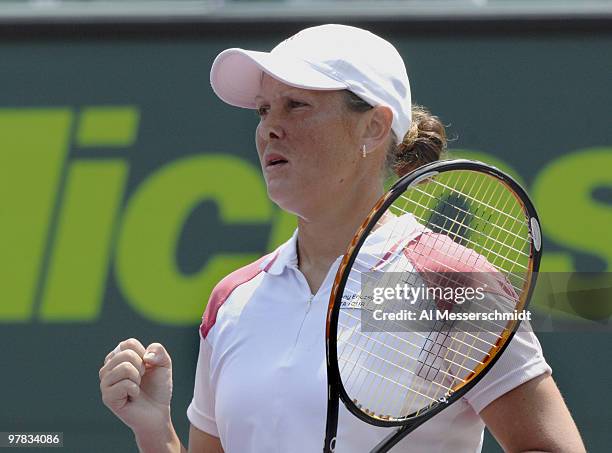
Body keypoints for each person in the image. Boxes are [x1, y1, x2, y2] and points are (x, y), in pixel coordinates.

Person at [99, 24, 585, 453]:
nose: (270, 128)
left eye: (297, 105)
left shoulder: (450, 283)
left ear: (373, 128)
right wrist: (156, 434)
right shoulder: (231, 300)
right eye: (264, 110)